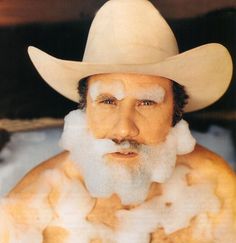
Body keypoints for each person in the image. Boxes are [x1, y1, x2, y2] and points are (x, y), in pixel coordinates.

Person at [0, 0, 235, 242]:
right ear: (85, 107)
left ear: (175, 111)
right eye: (108, 101)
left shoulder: (216, 188)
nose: (124, 128)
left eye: (146, 103)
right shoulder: (29, 209)